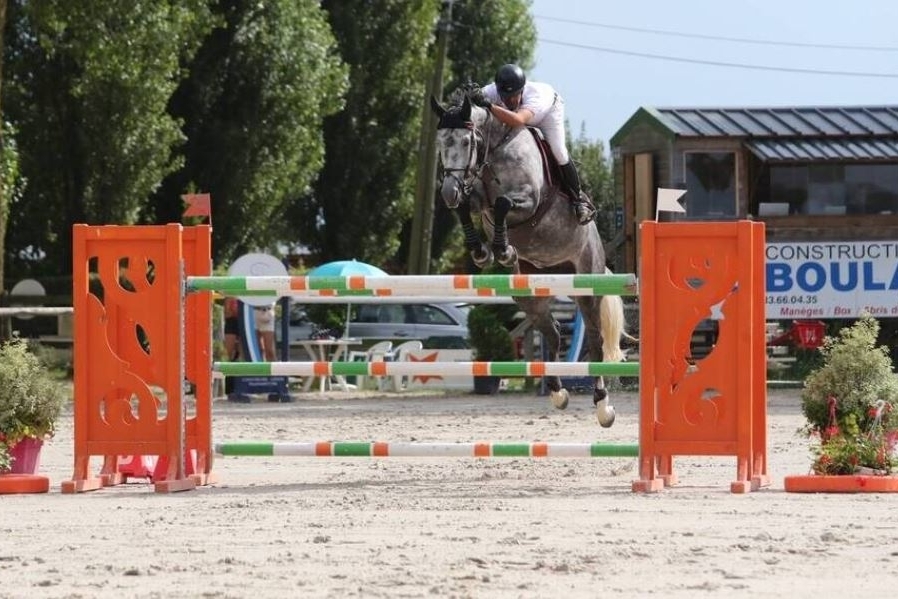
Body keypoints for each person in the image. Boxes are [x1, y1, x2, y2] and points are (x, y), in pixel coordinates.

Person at [471, 63, 597, 225]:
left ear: (522, 90)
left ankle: (578, 200)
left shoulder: (537, 96)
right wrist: (469, 95)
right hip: (517, 116)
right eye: (504, 96)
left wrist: (488, 105)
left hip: (547, 115)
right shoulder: (492, 91)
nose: (508, 101)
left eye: (513, 97)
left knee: (559, 151)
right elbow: (469, 105)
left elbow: (518, 120)